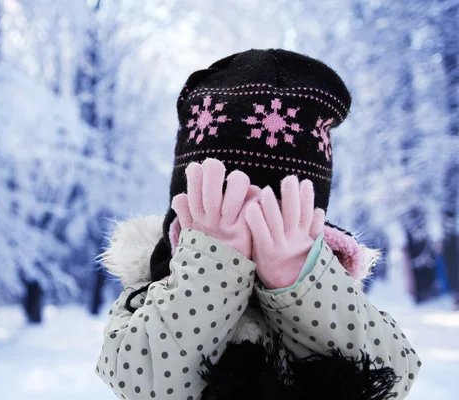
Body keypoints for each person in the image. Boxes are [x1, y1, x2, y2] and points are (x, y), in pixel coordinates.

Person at [96, 49, 421, 400]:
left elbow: (389, 379)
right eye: (222, 205)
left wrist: (302, 282)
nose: (249, 228)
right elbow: (144, 386)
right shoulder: (151, 291)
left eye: (270, 212)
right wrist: (210, 265)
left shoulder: (334, 285)